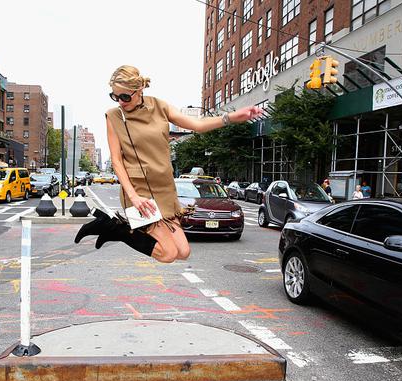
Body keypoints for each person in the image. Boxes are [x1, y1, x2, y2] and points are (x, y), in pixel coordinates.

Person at [74, 65, 263, 263]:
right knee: (167, 254)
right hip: (139, 191)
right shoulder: (114, 116)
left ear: (139, 91)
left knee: (182, 252)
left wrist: (231, 117)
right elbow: (116, 160)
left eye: (125, 97)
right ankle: (116, 229)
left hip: (165, 188)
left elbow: (197, 125)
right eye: (115, 97)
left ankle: (116, 228)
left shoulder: (159, 106)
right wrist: (133, 196)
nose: (121, 102)